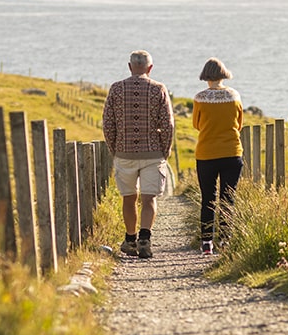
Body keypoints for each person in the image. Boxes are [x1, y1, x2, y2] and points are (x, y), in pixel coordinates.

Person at [102, 50, 175, 259]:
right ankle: (145, 240)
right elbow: (167, 124)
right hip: (152, 153)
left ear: (129, 66)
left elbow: (108, 123)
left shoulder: (116, 89)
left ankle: (130, 239)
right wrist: (165, 149)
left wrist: (114, 148)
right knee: (149, 198)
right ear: (150, 68)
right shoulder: (158, 89)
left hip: (125, 153)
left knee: (129, 198)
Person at [191, 57, 243, 256]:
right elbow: (239, 123)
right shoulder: (234, 95)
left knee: (208, 198)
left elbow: (197, 124)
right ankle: (225, 239)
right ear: (224, 74)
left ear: (206, 75)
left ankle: (206, 242)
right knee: (228, 197)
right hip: (231, 152)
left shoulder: (200, 97)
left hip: (206, 153)